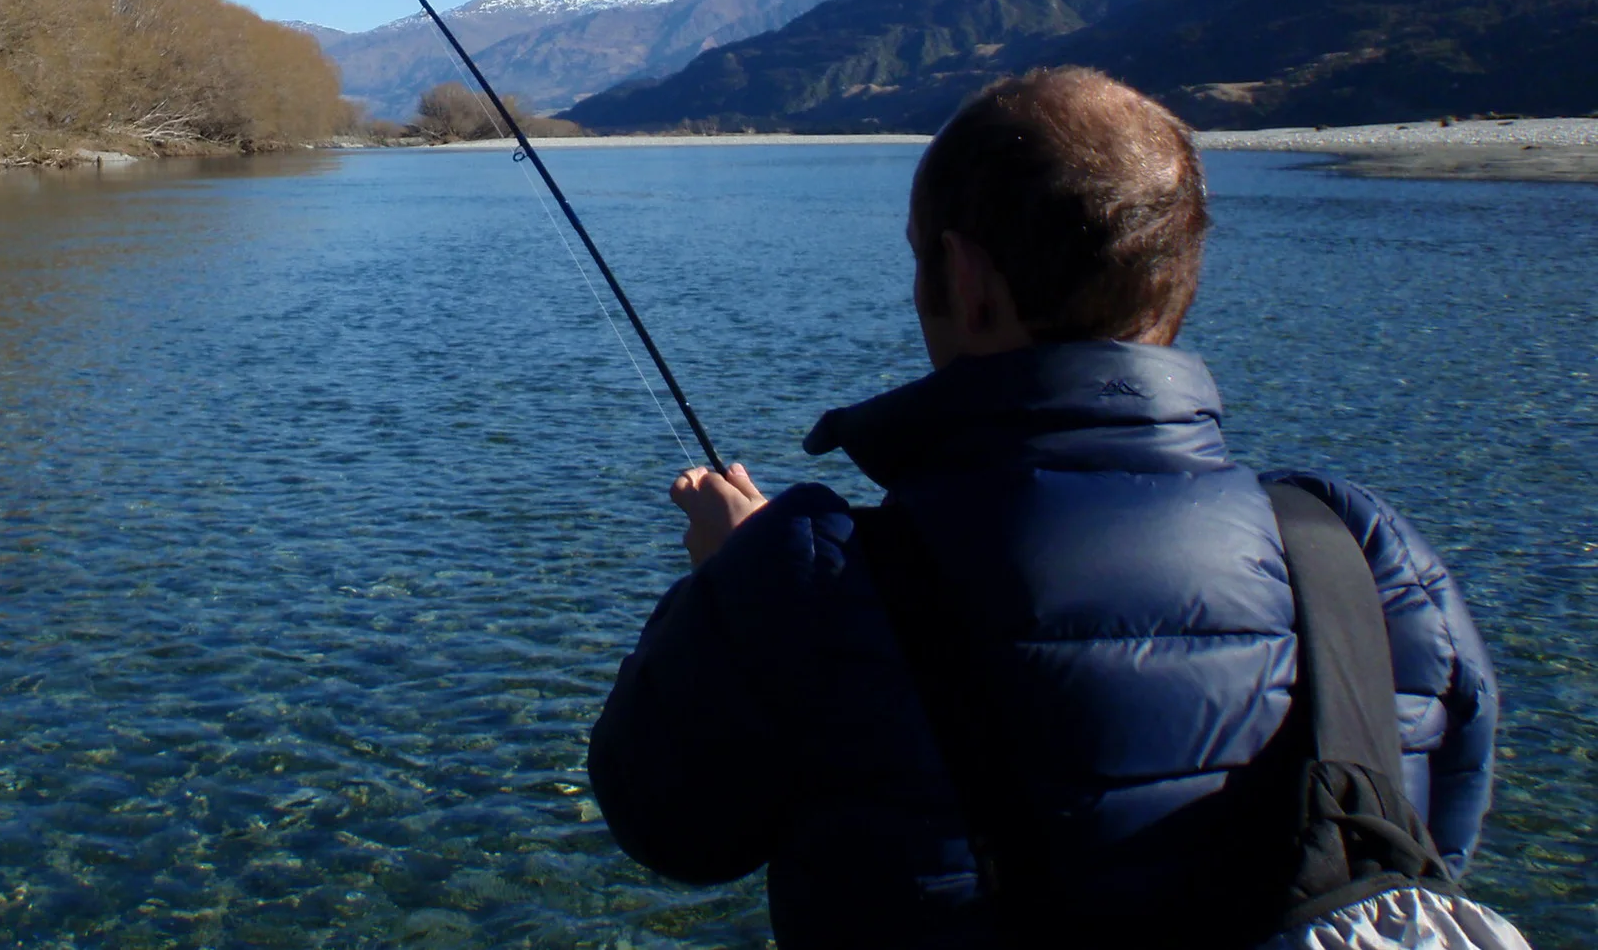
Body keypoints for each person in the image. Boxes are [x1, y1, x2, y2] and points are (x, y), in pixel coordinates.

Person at [587, 67, 1498, 949]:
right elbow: (1432, 850)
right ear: (1176, 273)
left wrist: (735, 581)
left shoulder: (809, 577)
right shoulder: (1359, 551)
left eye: (919, 258)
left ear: (969, 281)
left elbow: (667, 823)